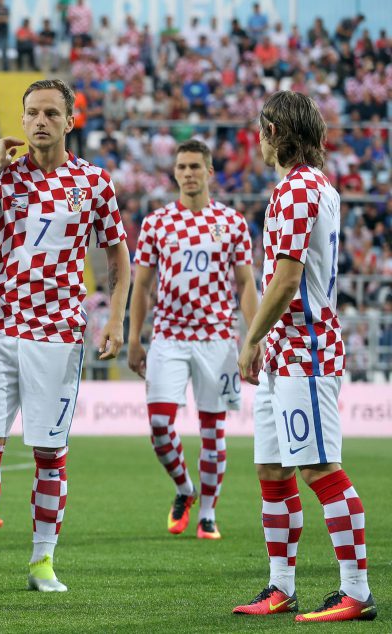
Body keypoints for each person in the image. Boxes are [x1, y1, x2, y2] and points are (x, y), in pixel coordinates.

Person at [0, 79, 130, 592]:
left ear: (71, 120)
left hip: (57, 330)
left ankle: (41, 563)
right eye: (32, 113)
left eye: (51, 112)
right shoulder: (5, 177)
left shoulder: (93, 182)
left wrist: (115, 318)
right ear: (22, 120)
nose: (41, 121)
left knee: (49, 452)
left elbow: (117, 253)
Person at [233, 91, 377, 623]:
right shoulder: (315, 187)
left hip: (305, 348)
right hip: (286, 349)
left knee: (320, 468)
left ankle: (357, 592)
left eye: (261, 131)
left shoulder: (297, 189)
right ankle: (281, 586)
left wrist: (251, 337)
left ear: (272, 130)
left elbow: (288, 278)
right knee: (272, 468)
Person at [128, 139, 259, 540]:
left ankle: (207, 514)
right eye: (182, 167)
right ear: (174, 173)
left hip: (218, 339)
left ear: (209, 172)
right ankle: (185, 488)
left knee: (213, 430)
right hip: (168, 335)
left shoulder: (232, 223)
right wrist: (135, 337)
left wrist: (253, 340)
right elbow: (143, 284)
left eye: (195, 167)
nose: (188, 173)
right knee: (160, 426)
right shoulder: (157, 223)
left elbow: (246, 285)